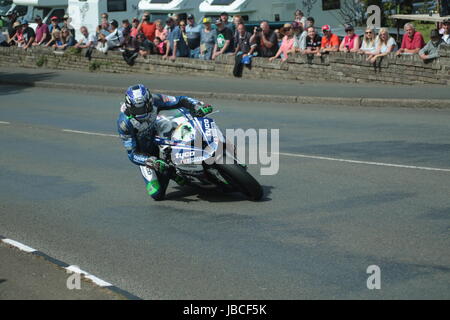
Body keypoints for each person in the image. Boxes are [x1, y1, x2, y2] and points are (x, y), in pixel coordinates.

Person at [117, 84, 213, 201]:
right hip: (146, 153)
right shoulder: (124, 124)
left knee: (186, 124)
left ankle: (206, 146)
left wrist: (197, 105)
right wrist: (150, 161)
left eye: (143, 108)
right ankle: (171, 173)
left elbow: (180, 100)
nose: (140, 112)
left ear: (149, 101)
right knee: (157, 194)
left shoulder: (156, 100)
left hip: (160, 134)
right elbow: (132, 154)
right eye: (137, 109)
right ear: (129, 106)